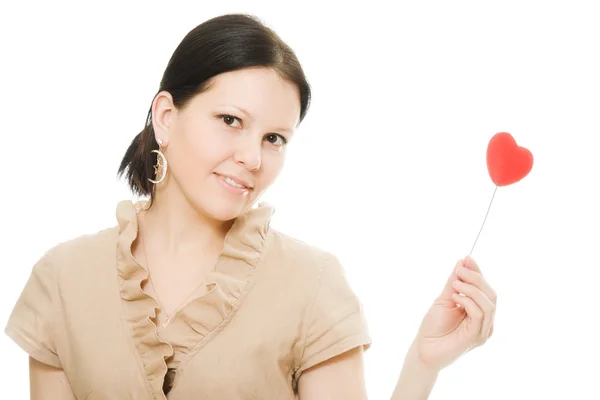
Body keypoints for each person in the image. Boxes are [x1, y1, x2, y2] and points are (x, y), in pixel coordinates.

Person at [4, 13, 497, 400]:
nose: (252, 158)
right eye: (231, 120)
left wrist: (423, 364)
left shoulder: (312, 285)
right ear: (166, 117)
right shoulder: (63, 280)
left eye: (275, 138)